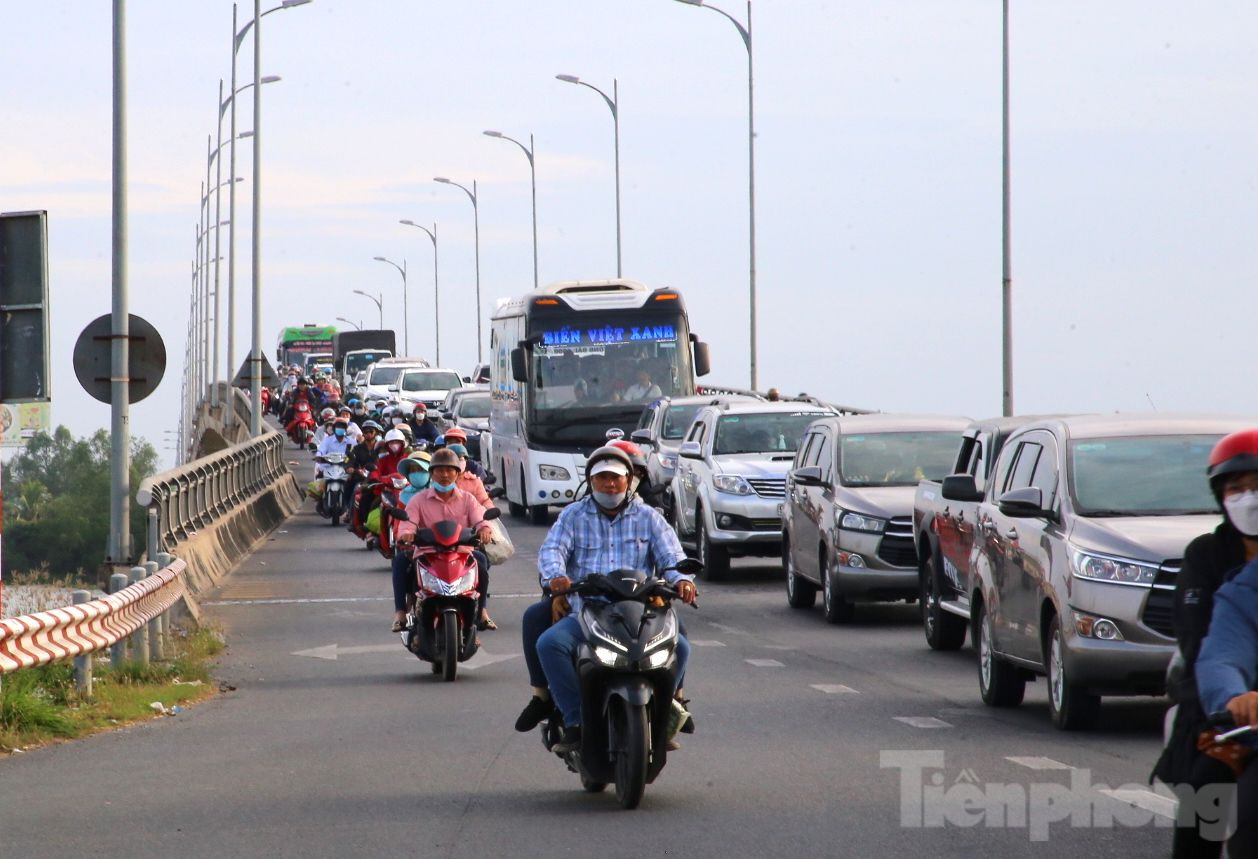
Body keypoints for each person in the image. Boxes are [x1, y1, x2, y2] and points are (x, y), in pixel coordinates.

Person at [522, 446, 698, 753]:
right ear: (591, 482)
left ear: (629, 480)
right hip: (589, 611)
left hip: (640, 614)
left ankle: (667, 713)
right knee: (549, 644)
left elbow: (672, 556)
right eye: (602, 478)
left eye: (616, 478)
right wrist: (556, 578)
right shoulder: (572, 515)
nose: (610, 485)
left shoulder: (649, 518)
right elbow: (552, 551)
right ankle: (575, 721)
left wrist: (681, 580)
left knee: (680, 647)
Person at [1155, 429, 1258, 857]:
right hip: (1220, 707)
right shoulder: (1209, 559)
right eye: (1238, 489)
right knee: (1206, 790)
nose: (1250, 498)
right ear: (1221, 496)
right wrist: (1235, 699)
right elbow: (1206, 645)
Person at [392, 448, 494, 632]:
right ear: (432, 474)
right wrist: (407, 533)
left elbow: (480, 519)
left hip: (461, 554)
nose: (444, 475)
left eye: (449, 470)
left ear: (457, 473)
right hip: (427, 554)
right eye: (439, 470)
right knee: (400, 562)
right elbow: (408, 522)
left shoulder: (468, 499)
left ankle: (482, 611)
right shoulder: (418, 500)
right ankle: (400, 613)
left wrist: (485, 529)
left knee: (481, 561)